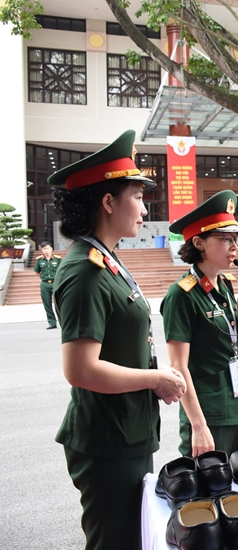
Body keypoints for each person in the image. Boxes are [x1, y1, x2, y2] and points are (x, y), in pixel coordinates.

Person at [49, 130, 187, 549]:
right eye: (137, 197)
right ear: (108, 202)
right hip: (107, 438)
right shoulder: (85, 271)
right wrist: (154, 379)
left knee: (132, 536)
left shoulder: (107, 260)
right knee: (115, 541)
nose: (145, 208)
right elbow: (80, 370)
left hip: (126, 430)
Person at [160, 190, 238, 457]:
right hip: (209, 412)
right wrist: (198, 425)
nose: (234, 245)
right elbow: (178, 366)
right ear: (199, 243)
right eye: (225, 239)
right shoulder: (181, 294)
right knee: (208, 492)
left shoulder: (225, 284)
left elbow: (232, 346)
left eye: (235, 238)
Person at [34, 241, 62, 329]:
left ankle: (63, 322)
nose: (46, 250)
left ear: (51, 249)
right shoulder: (39, 260)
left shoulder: (57, 259)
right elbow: (37, 272)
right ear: (42, 250)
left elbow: (62, 271)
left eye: (47, 248)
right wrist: (44, 278)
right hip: (45, 284)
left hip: (55, 283)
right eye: (44, 249)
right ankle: (52, 322)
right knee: (47, 304)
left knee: (59, 303)